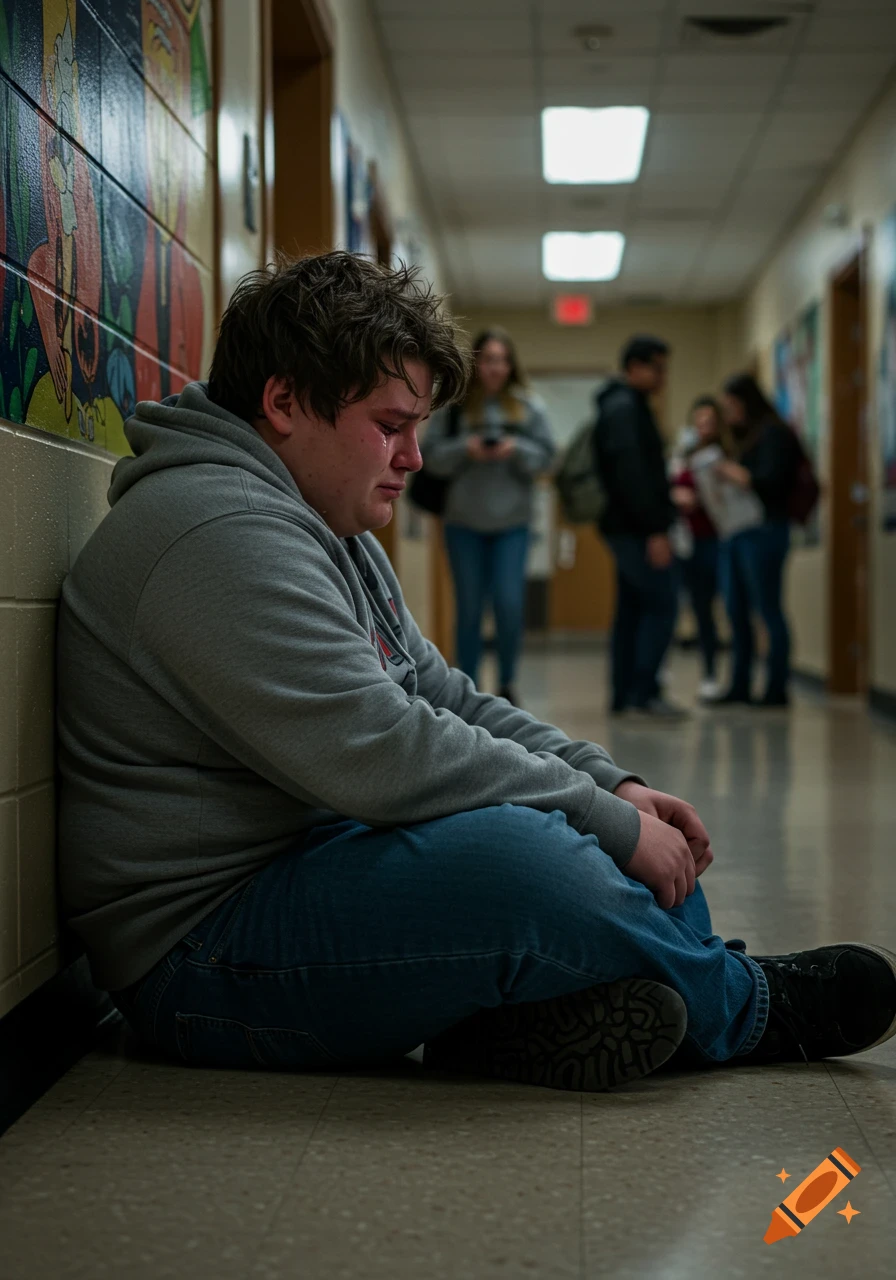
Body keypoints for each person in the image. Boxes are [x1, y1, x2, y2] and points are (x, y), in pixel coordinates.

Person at [57, 253, 896, 1096]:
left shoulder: (321, 524)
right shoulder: (215, 531)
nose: (416, 458)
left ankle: (509, 1020)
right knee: (532, 859)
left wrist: (613, 785)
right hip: (203, 953)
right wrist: (597, 817)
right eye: (391, 425)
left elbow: (439, 694)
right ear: (282, 403)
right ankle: (746, 1007)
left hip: (309, 854)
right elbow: (386, 750)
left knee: (608, 843)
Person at [420, 328, 554, 704]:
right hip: (464, 523)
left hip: (513, 524)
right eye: (488, 359)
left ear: (511, 366)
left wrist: (516, 449)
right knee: (469, 608)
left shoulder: (529, 407)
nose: (495, 368)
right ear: (476, 363)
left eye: (502, 360)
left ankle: (508, 682)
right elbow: (430, 458)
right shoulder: (454, 406)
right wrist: (467, 449)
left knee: (510, 605)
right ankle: (470, 688)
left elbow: (547, 458)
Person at [595, 335, 685, 720]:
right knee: (661, 604)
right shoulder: (625, 409)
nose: (663, 377)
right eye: (657, 368)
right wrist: (656, 530)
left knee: (633, 609)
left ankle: (626, 696)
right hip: (635, 528)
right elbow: (634, 476)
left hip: (627, 525)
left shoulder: (623, 406)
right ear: (635, 368)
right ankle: (642, 694)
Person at [717, 373, 801, 707]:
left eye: (731, 406)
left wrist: (734, 474)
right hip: (738, 531)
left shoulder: (775, 434)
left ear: (746, 402)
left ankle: (776, 688)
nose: (728, 413)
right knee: (736, 611)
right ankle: (740, 684)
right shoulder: (745, 437)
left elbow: (772, 481)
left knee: (768, 609)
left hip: (766, 531)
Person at [669, 397, 724, 703]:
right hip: (684, 541)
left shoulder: (722, 456)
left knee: (706, 610)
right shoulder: (685, 456)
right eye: (698, 421)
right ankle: (661, 667)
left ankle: (711, 674)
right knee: (674, 603)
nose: (703, 427)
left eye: (710, 421)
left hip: (712, 541)